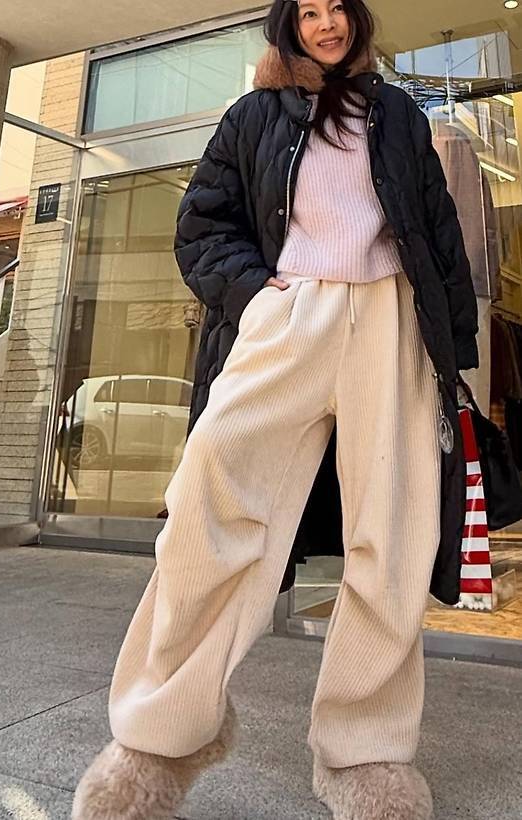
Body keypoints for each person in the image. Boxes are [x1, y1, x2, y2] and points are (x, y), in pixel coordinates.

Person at [72, 1, 479, 817]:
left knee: (393, 534)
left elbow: (439, 233)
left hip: (391, 322)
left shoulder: (399, 114)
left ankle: (365, 753)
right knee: (207, 509)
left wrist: (451, 346)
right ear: (290, 25)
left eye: (339, 8)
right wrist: (258, 299)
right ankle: (160, 736)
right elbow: (202, 225)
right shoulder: (253, 114)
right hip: (288, 318)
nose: (328, 25)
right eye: (311, 11)